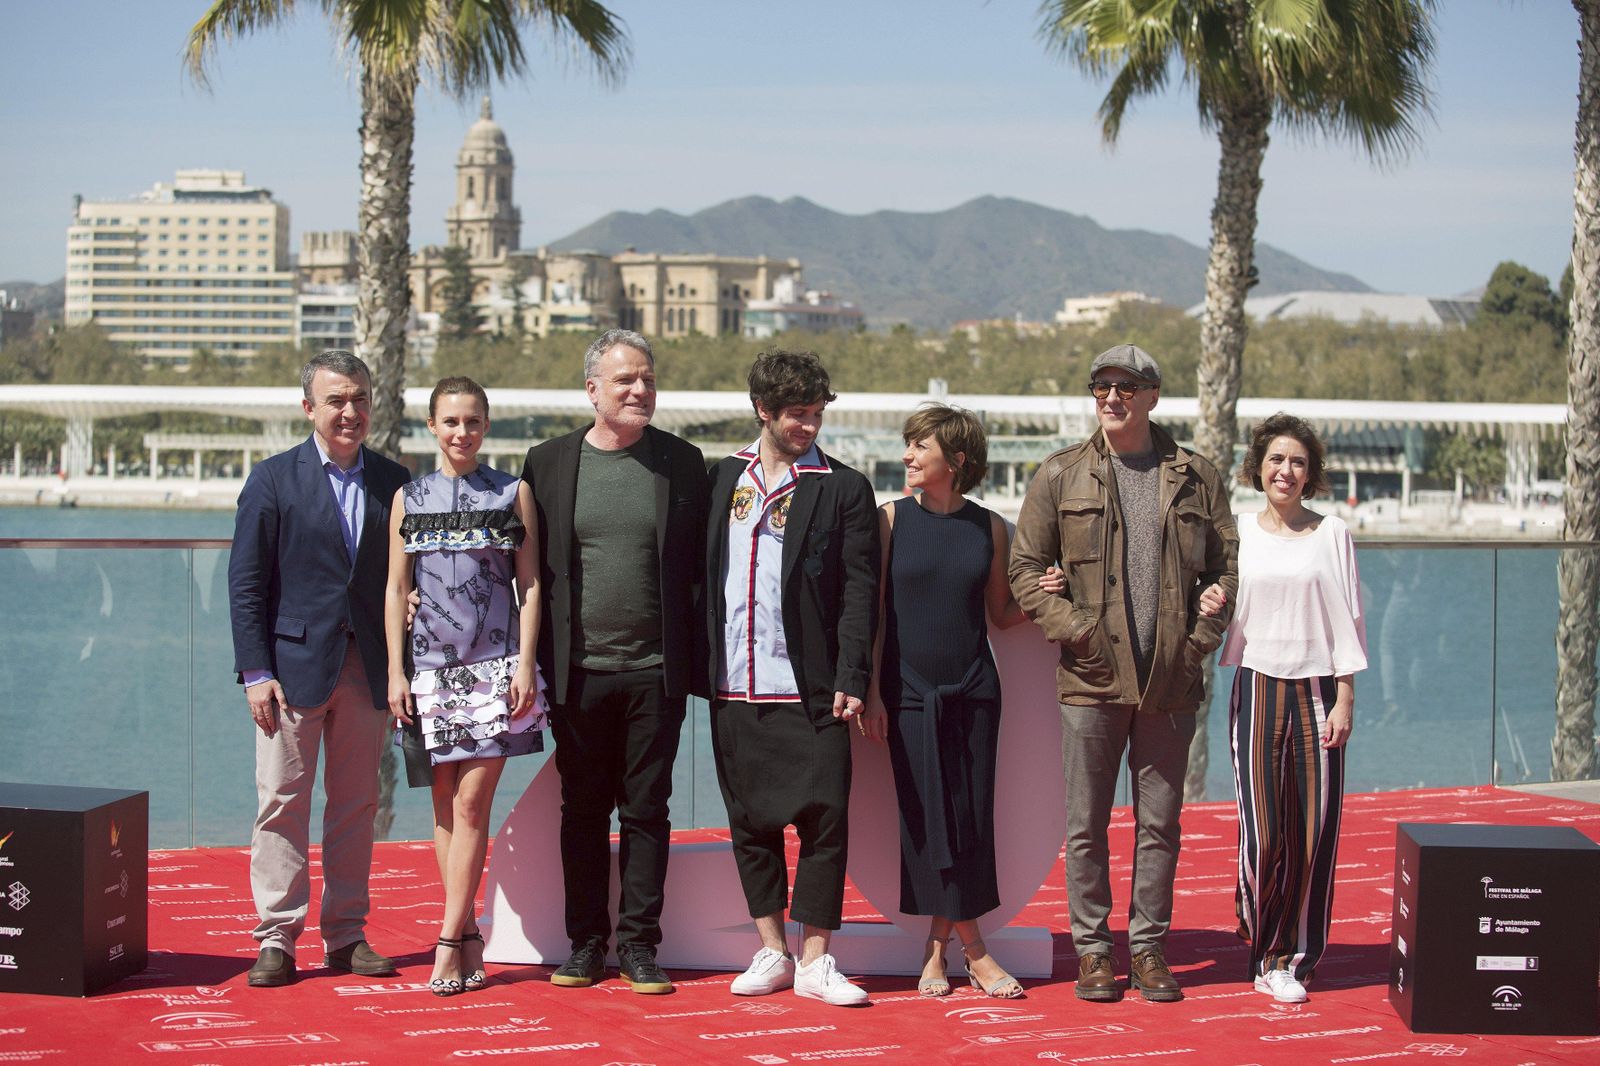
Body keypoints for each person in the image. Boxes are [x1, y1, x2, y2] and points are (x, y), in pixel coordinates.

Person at [1009, 343, 1237, 1004]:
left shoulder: (1197, 476)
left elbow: (1226, 569)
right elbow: (1027, 571)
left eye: (1127, 386)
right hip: (1090, 680)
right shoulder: (1060, 475)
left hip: (1170, 682)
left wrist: (1197, 642)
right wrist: (1076, 629)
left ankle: (1148, 948)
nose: (1113, 396)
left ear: (1153, 395)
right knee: (1085, 825)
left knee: (1160, 825)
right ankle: (1091, 951)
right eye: (1102, 385)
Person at [521, 329, 710, 995]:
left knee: (647, 812)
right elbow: (517, 569)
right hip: (576, 674)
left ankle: (638, 946)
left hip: (656, 674)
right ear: (592, 390)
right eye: (625, 380)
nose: (639, 391)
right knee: (581, 812)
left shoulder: (684, 464)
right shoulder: (545, 465)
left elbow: (706, 570)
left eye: (648, 380)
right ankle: (583, 944)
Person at [228, 349, 410, 988]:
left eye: (359, 397)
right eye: (336, 399)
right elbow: (247, 583)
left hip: (368, 672)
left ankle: (347, 935)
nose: (350, 410)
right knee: (281, 803)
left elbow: (405, 576)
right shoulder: (272, 480)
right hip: (290, 672)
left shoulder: (395, 482)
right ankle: (276, 937)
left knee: (356, 805)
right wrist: (254, 671)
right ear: (309, 407)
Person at [706, 349, 878, 1007]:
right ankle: (772, 951)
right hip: (733, 682)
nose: (807, 426)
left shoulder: (842, 487)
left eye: (814, 414)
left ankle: (816, 960)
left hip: (813, 688)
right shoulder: (722, 479)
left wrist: (854, 672)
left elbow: (861, 590)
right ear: (763, 411)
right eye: (795, 415)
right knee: (750, 823)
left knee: (825, 822)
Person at [859, 404, 1047, 999]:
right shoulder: (888, 520)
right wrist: (870, 692)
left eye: (921, 446)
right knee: (925, 821)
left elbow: (999, 615)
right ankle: (978, 952)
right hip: (908, 693)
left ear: (957, 459)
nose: (908, 456)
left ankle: (937, 951)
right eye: (908, 444)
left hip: (975, 692)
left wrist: (1044, 595)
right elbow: (873, 617)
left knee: (968, 821)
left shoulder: (989, 527)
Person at [384, 377, 546, 997]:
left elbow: (528, 586)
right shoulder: (410, 498)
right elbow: (396, 589)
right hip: (427, 675)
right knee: (444, 807)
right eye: (450, 421)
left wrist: (526, 664)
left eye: (473, 421)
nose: (462, 432)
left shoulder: (512, 493)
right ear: (432, 425)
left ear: (486, 425)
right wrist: (397, 670)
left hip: (495, 671)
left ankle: (447, 941)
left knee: (473, 805)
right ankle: (470, 930)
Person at [1201, 413, 1366, 1004]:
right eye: (1275, 460)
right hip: (1258, 687)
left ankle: (1287, 957)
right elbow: (1212, 595)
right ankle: (1257, 920)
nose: (1285, 471)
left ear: (1310, 473)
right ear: (1258, 468)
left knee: (1313, 829)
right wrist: (1211, 598)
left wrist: (1346, 698)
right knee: (1264, 829)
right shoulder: (1238, 533)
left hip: (1320, 689)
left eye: (1297, 461)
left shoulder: (1333, 533)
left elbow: (1349, 620)